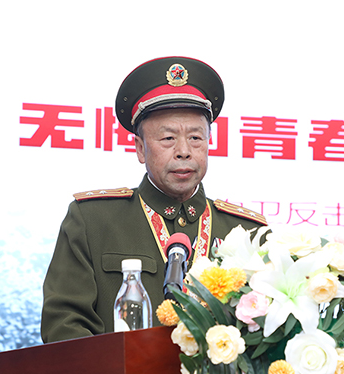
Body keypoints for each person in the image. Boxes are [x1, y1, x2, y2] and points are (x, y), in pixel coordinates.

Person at [41, 56, 267, 344]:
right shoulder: (92, 221)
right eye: (168, 139)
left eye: (196, 138)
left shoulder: (247, 232)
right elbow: (64, 326)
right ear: (140, 148)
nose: (184, 151)